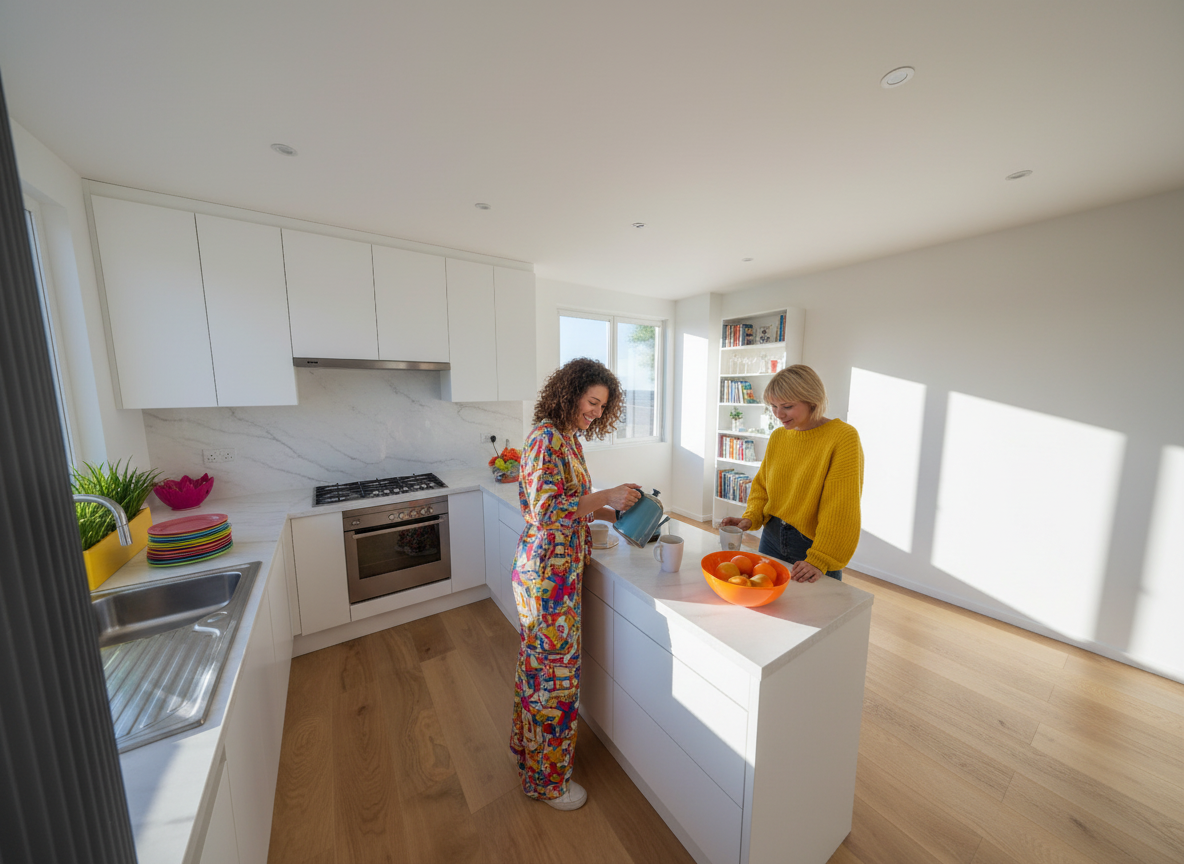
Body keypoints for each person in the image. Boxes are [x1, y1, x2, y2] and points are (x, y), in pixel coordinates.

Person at [510, 358, 642, 811]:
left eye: (602, 406)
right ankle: (548, 784)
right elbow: (547, 511)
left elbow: (573, 502)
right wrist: (605, 495)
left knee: (539, 673)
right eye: (591, 402)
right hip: (547, 576)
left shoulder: (567, 438)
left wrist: (615, 511)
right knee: (553, 681)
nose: (596, 412)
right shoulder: (546, 438)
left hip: (557, 573)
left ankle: (529, 756)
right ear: (570, 394)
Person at [720, 364, 863, 582]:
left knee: (813, 604)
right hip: (771, 537)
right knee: (766, 598)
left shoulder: (842, 437)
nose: (778, 414)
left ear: (812, 401)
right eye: (773, 406)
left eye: (787, 406)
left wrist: (821, 557)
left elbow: (841, 506)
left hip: (812, 546)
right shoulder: (778, 437)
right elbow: (762, 487)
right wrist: (751, 517)